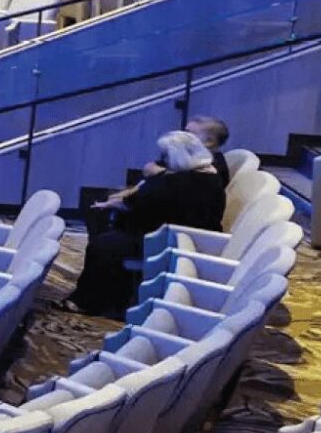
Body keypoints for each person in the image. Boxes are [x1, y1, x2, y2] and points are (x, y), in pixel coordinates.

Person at [66, 130, 230, 320]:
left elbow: (148, 203)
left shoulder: (187, 181)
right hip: (169, 232)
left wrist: (123, 205)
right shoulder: (200, 173)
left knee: (102, 245)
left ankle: (90, 302)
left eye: (166, 156)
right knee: (108, 232)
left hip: (176, 241)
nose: (162, 160)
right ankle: (110, 298)